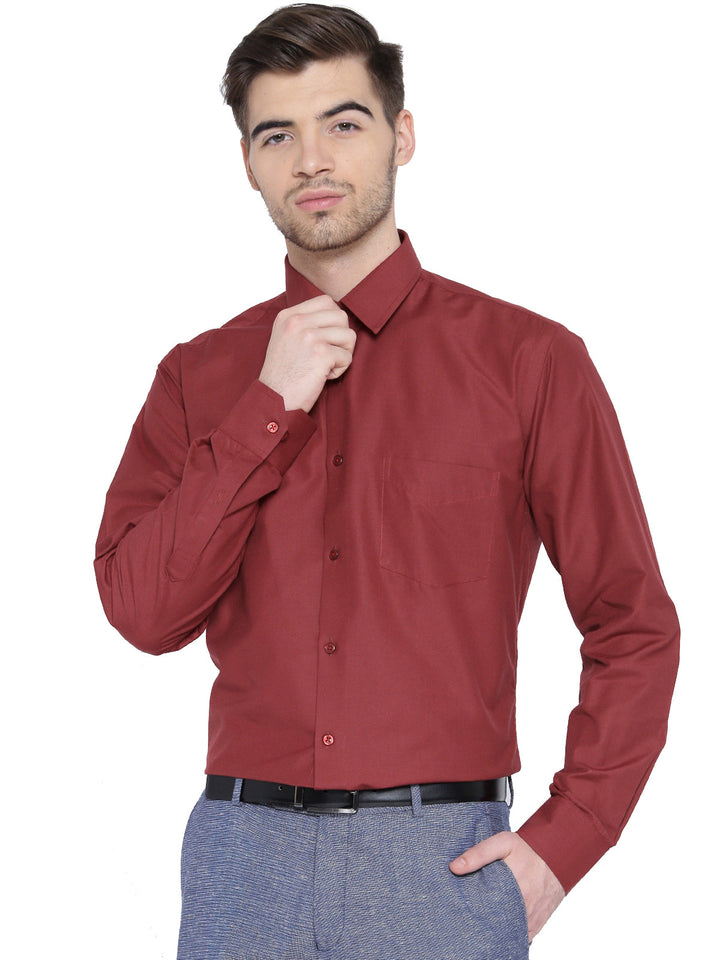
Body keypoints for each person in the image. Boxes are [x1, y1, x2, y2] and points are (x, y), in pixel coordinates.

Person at [94, 4, 680, 958]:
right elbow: (141, 612)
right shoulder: (199, 377)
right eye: (277, 135)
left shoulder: (529, 361)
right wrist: (267, 408)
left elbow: (633, 621)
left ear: (402, 135)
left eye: (344, 123)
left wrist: (565, 844)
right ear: (246, 161)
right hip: (243, 856)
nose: (311, 160)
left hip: (440, 864)